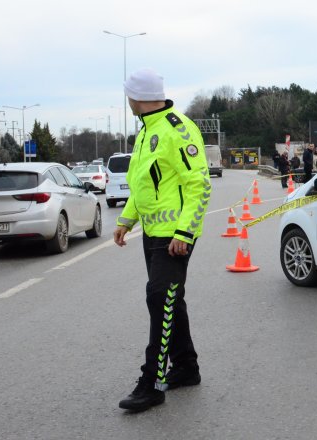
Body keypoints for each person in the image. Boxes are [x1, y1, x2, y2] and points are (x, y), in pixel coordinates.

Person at [113, 68, 211, 412]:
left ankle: (152, 382)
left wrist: (185, 231)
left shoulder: (177, 129)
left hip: (175, 235)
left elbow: (200, 184)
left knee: (159, 299)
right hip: (153, 233)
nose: (127, 101)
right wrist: (127, 220)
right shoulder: (145, 131)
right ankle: (186, 367)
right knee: (170, 300)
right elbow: (143, 185)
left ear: (136, 97)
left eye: (128, 95)